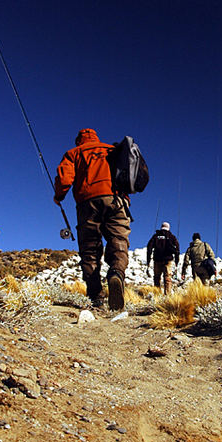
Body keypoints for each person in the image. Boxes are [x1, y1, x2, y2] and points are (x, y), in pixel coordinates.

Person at [53, 127, 130, 310]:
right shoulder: (112, 150)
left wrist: (59, 196)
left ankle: (96, 297)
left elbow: (64, 180)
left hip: (88, 203)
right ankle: (116, 273)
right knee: (118, 240)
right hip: (117, 199)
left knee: (90, 248)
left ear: (79, 140)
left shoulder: (74, 153)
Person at [146, 222, 180, 295]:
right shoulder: (172, 236)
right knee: (167, 278)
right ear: (168, 228)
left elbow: (149, 247)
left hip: (157, 260)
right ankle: (167, 295)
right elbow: (177, 249)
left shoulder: (156, 236)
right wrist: (177, 261)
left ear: (161, 227)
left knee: (157, 278)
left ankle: (157, 295)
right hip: (168, 260)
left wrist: (148, 261)